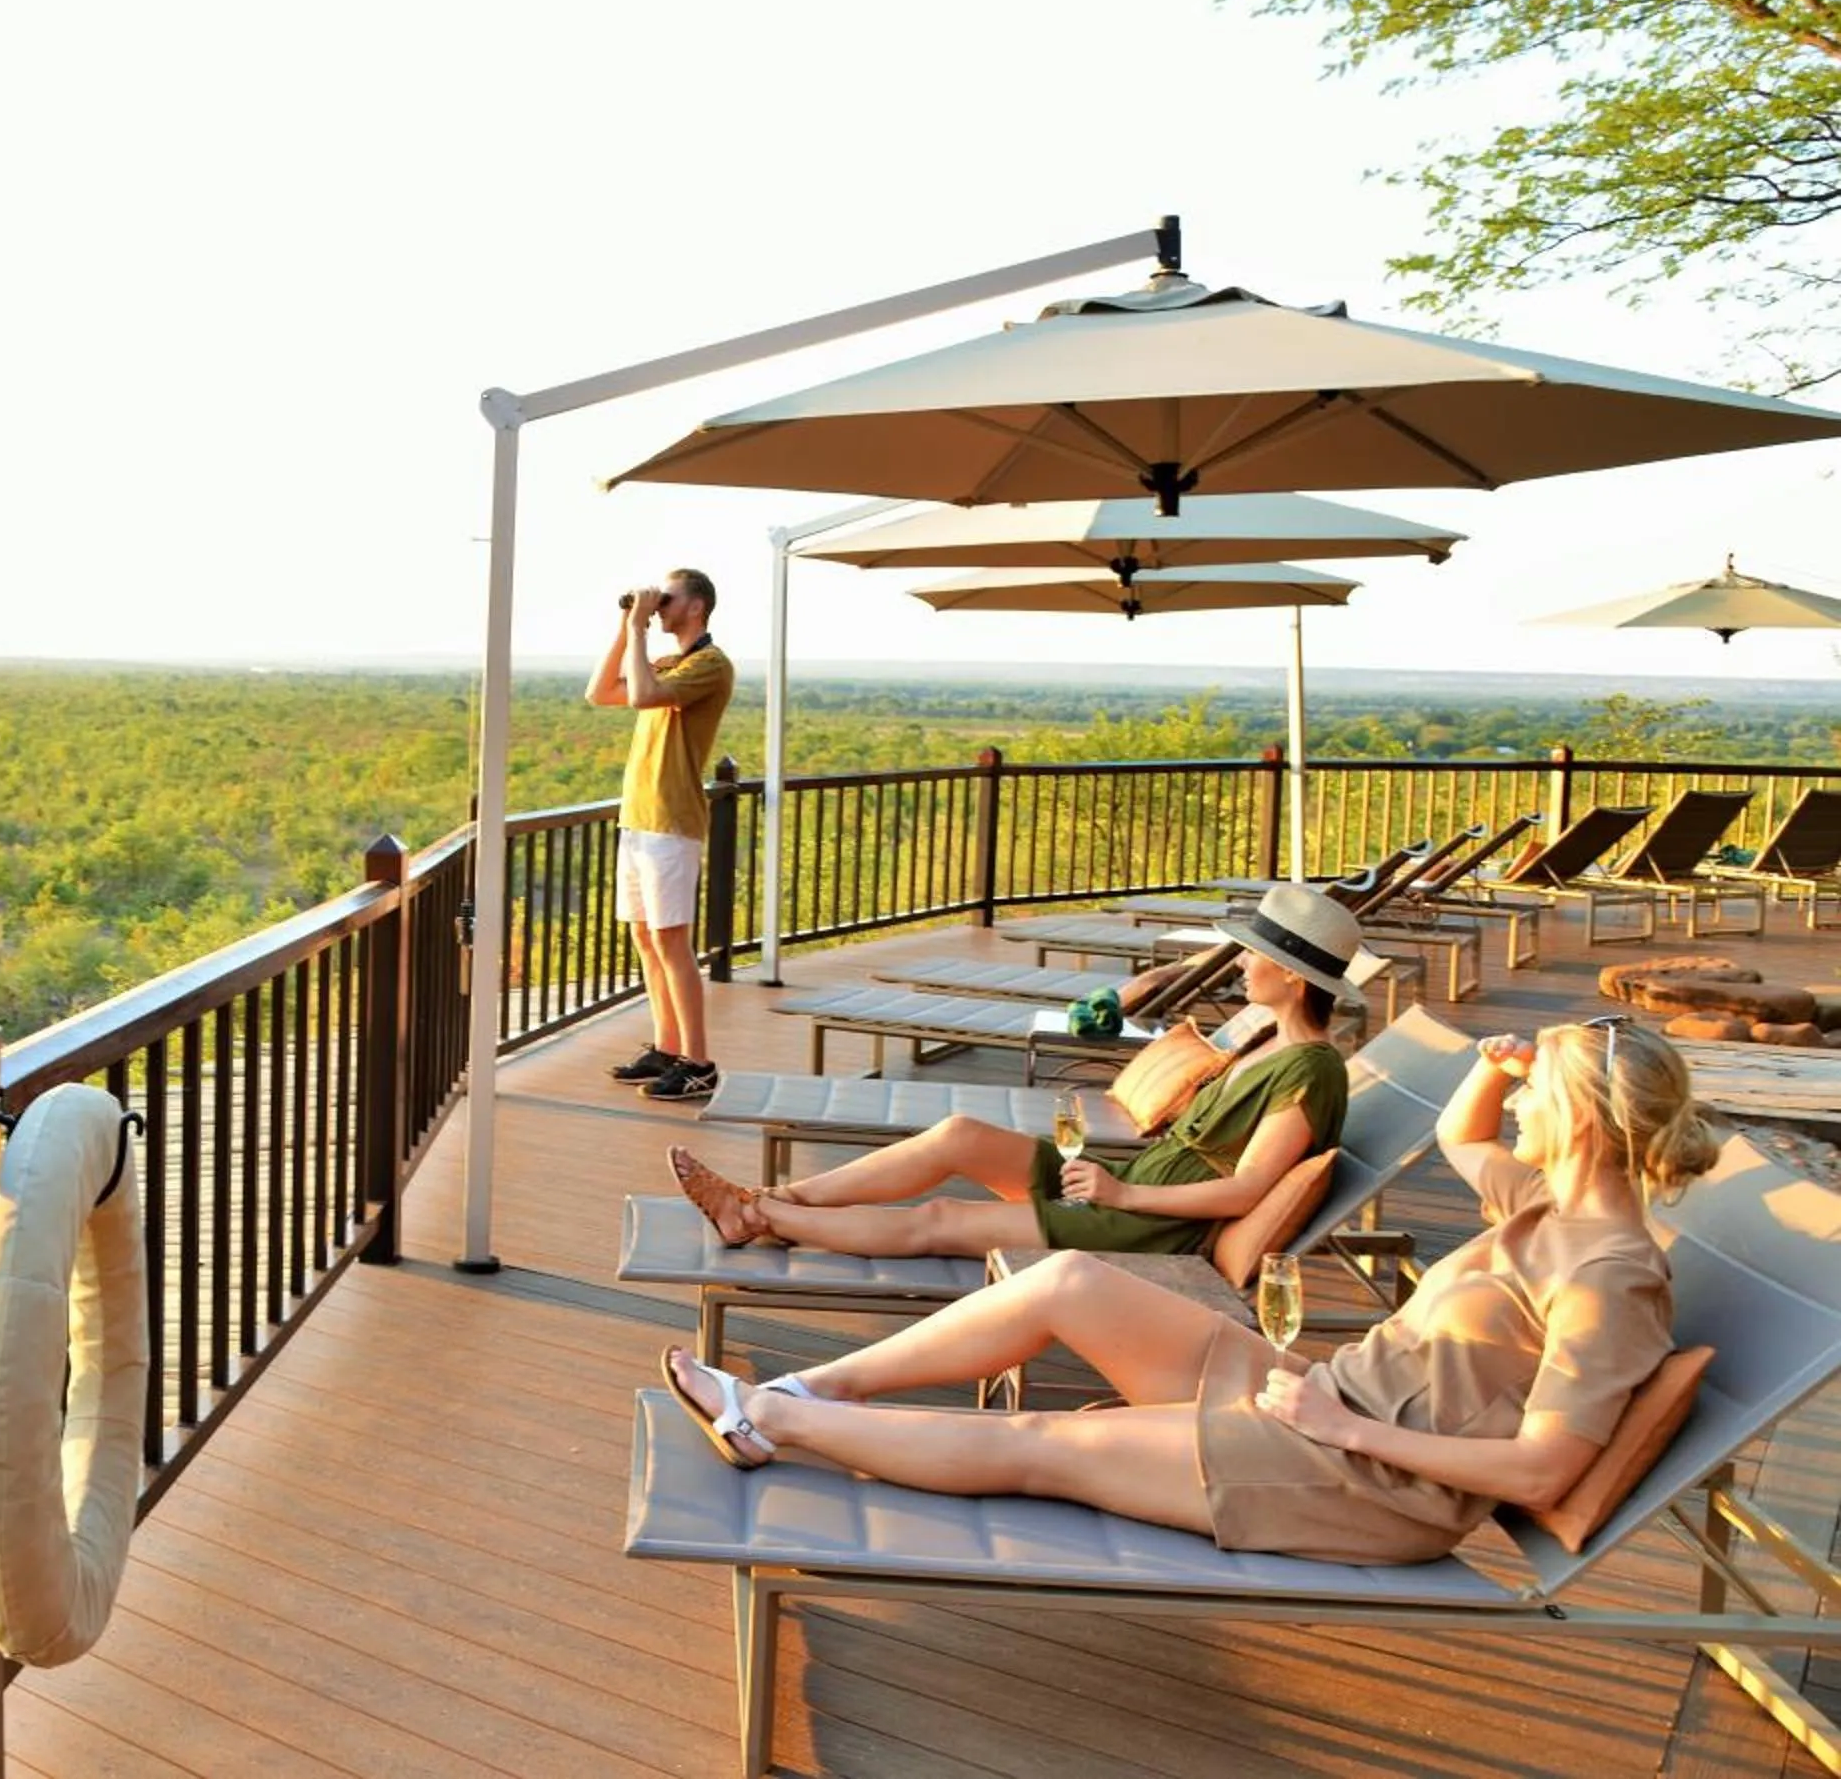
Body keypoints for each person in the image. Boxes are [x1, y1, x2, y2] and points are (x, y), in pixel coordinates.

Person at [660, 1013, 1722, 1565]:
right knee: (1066, 1280)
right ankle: (821, 1388)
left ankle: (772, 1419)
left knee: (1054, 1447)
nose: (1522, 1109)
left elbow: (1539, 1471)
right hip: (1322, 1396)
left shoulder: (1611, 1276)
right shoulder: (1538, 1205)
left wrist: (1345, 1434)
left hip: (1371, 1483)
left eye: (1540, 1094)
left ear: (1582, 1118)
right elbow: (1463, 1132)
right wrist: (1498, 1066)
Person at [667, 881, 1368, 1260]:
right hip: (1123, 1185)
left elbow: (1245, 1192)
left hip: (1146, 1221)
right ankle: (773, 1196)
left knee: (940, 1220)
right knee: (958, 1136)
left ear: (1291, 972)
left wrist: (1120, 1197)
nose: (1241, 963)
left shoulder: (1309, 1070)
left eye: (1253, 954)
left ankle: (754, 1215)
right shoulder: (1267, 1041)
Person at [587, 569, 735, 1102]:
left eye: (668, 599)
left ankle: (699, 1061)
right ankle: (667, 1047)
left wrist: (641, 629)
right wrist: (629, 628)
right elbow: (600, 691)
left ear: (696, 607)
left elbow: (640, 698)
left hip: (672, 819)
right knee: (646, 939)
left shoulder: (710, 665)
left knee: (673, 941)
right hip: (640, 818)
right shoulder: (670, 662)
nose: (660, 605)